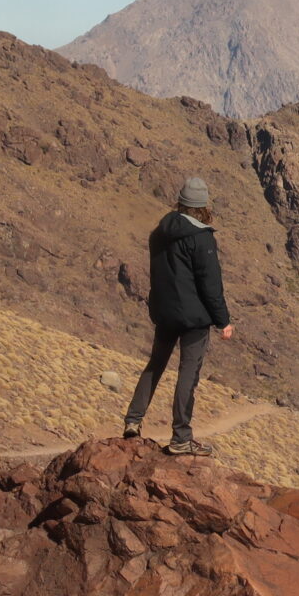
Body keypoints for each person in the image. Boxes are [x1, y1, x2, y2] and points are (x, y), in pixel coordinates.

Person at [123, 175, 234, 454]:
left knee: (156, 365)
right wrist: (223, 321)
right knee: (188, 373)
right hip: (194, 318)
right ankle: (181, 438)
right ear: (203, 206)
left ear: (181, 203)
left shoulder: (159, 232)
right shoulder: (201, 238)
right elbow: (211, 284)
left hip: (165, 312)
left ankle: (133, 421)